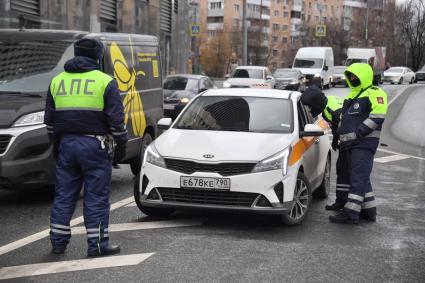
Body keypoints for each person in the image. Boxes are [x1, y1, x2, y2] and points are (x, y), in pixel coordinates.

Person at [44, 38, 128, 256]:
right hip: (95, 146)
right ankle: (97, 245)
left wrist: (56, 145)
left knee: (64, 196)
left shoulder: (57, 81)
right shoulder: (105, 81)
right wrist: (121, 146)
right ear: (98, 57)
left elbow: (50, 121)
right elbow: (116, 121)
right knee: (96, 197)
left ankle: (58, 244)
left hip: (66, 145)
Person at [329, 63, 387, 224]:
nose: (352, 79)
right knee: (360, 178)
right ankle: (369, 211)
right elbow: (343, 120)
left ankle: (351, 214)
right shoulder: (352, 95)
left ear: (364, 76)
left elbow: (378, 116)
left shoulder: (375, 92)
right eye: (350, 76)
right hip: (350, 144)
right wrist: (337, 137)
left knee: (358, 179)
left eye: (355, 76)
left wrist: (358, 133)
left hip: (364, 143)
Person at [300, 86, 349, 210]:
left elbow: (342, 127)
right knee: (342, 171)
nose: (310, 111)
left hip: (351, 143)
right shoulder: (329, 104)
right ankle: (342, 202)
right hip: (348, 142)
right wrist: (335, 141)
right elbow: (335, 126)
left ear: (316, 103)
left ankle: (349, 205)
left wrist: (337, 140)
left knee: (347, 173)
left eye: (310, 107)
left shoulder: (333, 110)